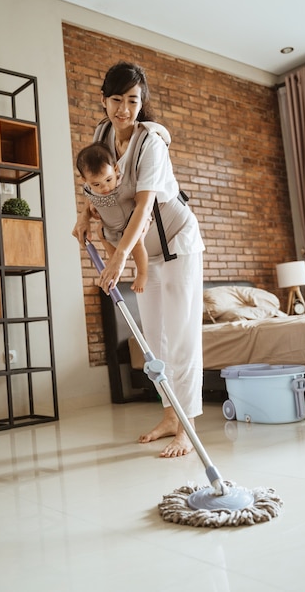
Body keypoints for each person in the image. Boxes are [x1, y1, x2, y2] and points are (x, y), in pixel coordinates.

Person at [73, 61, 204, 458]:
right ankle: (169, 415)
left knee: (181, 337)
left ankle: (188, 429)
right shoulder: (102, 134)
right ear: (105, 100)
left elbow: (145, 207)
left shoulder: (152, 144)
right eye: (116, 100)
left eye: (133, 100)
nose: (124, 109)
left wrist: (120, 259)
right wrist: (83, 215)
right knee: (155, 337)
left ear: (141, 101)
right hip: (146, 248)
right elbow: (94, 186)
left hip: (176, 243)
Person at [76, 141, 149, 293]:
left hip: (132, 221)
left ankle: (142, 273)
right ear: (85, 181)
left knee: (137, 243)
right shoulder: (89, 191)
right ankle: (112, 258)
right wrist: (91, 210)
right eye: (96, 184)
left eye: (109, 180)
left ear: (115, 170)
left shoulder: (124, 184)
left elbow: (143, 204)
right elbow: (91, 201)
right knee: (100, 232)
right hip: (111, 225)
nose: (104, 187)